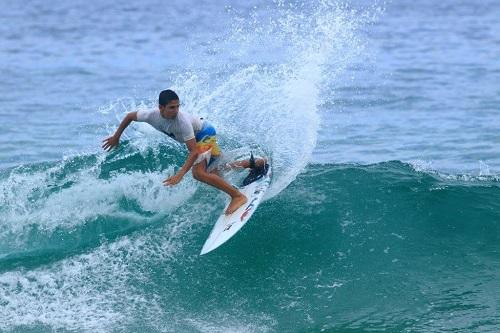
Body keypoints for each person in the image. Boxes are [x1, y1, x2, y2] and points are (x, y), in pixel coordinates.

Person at [102, 89, 267, 215]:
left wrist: (180, 174)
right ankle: (255, 163)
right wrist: (116, 137)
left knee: (199, 173)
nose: (176, 110)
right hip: (203, 132)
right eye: (171, 107)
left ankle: (238, 196)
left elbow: (194, 151)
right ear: (161, 108)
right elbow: (130, 116)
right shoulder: (150, 115)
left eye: (178, 106)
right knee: (215, 171)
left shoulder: (182, 122)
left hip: (205, 134)